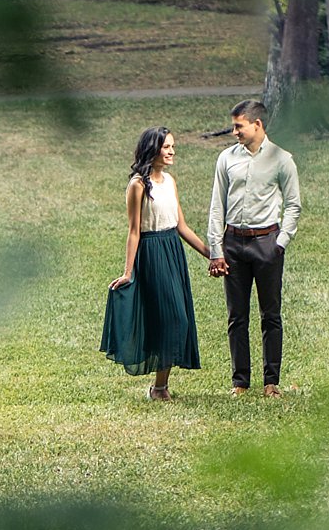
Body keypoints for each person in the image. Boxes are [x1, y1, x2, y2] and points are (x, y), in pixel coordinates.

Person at [101, 126, 211, 400]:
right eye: (167, 147)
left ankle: (160, 385)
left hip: (173, 251)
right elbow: (134, 231)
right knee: (171, 317)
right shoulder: (137, 185)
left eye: (173, 146)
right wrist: (128, 272)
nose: (172, 151)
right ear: (153, 149)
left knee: (178, 318)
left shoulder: (171, 181)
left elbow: (181, 226)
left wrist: (211, 254)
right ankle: (159, 388)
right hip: (151, 253)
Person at [206, 99, 301, 397]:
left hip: (266, 243)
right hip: (233, 243)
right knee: (237, 317)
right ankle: (240, 383)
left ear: (257, 125)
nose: (234, 131)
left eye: (239, 126)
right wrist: (216, 249)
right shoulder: (226, 159)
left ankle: (271, 382)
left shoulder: (282, 159)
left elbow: (294, 205)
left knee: (270, 315)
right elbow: (216, 205)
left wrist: (280, 243)